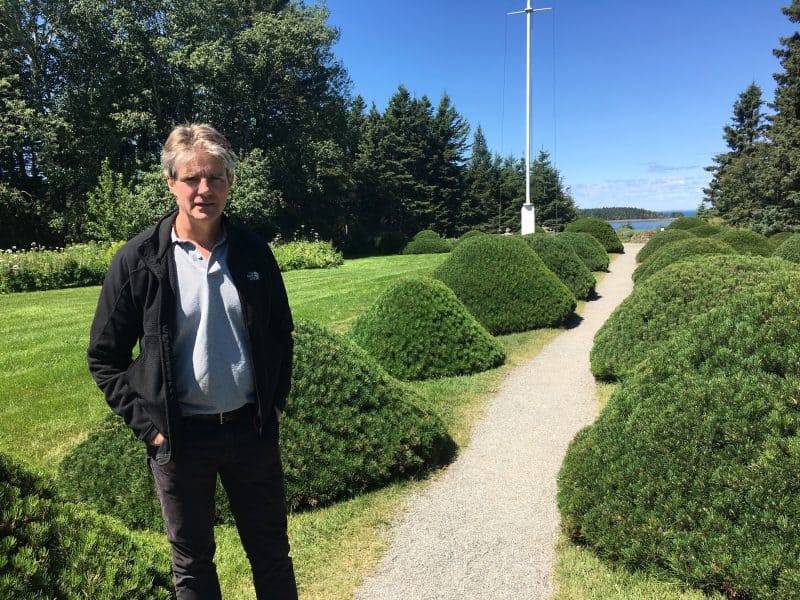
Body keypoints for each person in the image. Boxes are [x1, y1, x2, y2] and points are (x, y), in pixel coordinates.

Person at [87, 123, 297, 599]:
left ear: (229, 182)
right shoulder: (139, 260)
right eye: (192, 178)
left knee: (271, 554)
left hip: (251, 431)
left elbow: (280, 332)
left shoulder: (253, 253)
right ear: (171, 183)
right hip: (180, 442)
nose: (204, 189)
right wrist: (152, 428)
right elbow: (104, 356)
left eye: (216, 178)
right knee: (193, 566)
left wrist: (276, 403)